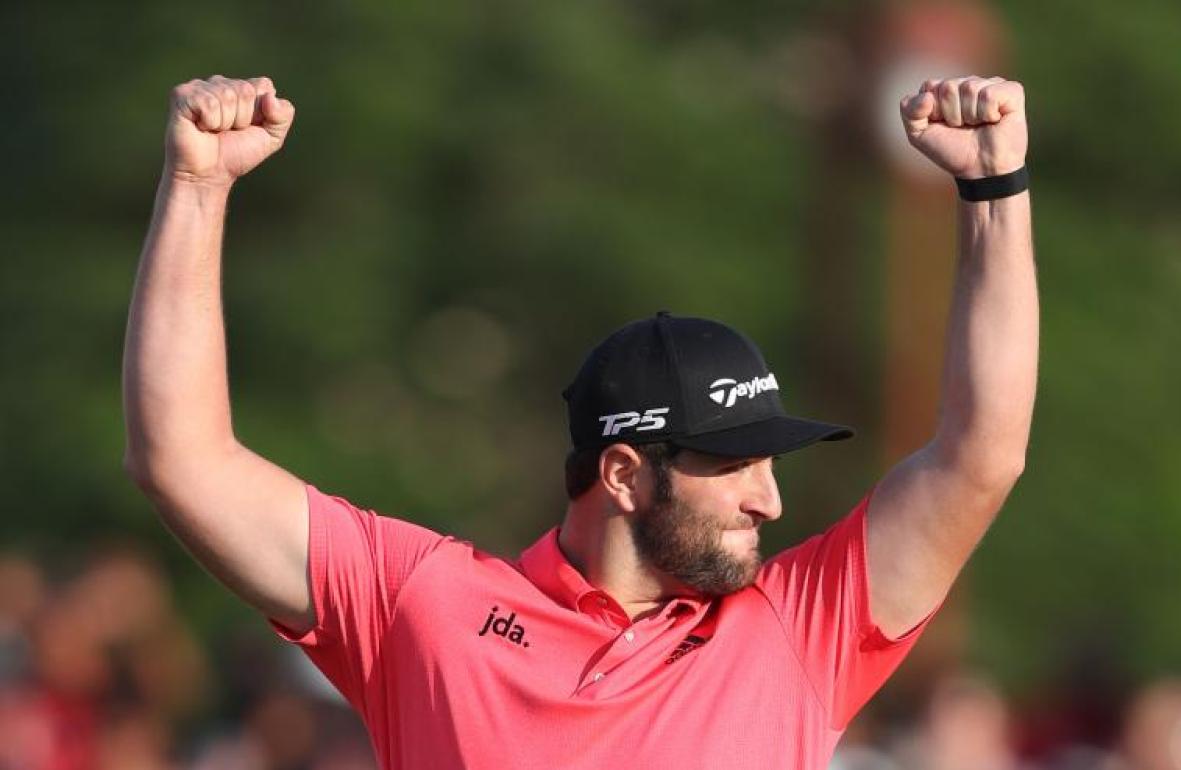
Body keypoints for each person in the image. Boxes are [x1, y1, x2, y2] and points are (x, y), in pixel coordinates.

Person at [123, 73, 1035, 769]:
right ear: (625, 473)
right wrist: (196, 190)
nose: (770, 502)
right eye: (735, 463)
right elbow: (183, 459)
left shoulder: (797, 628)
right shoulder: (424, 605)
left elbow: (980, 453)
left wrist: (997, 189)